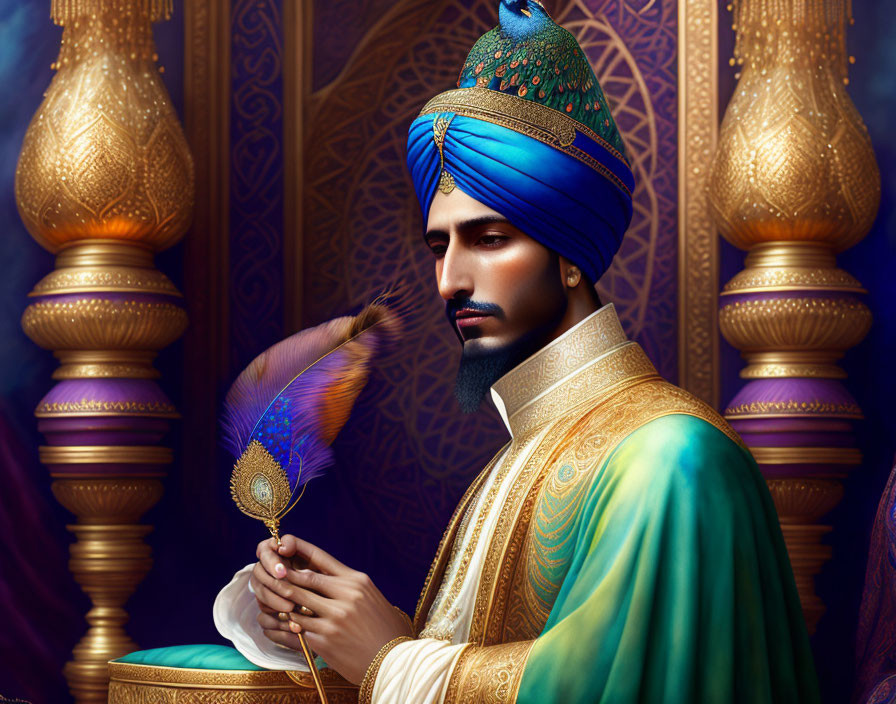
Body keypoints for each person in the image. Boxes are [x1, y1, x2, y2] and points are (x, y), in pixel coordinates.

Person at [215, 1, 820, 701]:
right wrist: (326, 623)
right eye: (439, 245)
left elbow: (607, 688)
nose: (449, 281)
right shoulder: (514, 462)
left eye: (489, 239)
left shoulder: (671, 461)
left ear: (570, 257)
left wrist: (387, 656)